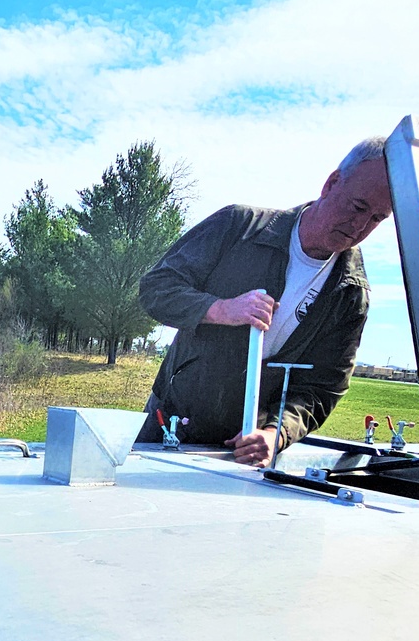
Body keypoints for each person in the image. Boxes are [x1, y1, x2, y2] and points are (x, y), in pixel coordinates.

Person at [135, 137, 394, 465]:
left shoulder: (351, 293)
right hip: (166, 427)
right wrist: (221, 309)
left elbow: (322, 387)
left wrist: (276, 434)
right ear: (331, 183)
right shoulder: (238, 226)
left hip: (243, 449)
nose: (360, 226)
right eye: (358, 207)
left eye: (377, 219)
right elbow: (156, 288)